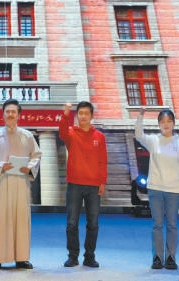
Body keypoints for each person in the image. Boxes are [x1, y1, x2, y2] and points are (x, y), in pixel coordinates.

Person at [0, 98, 42, 270]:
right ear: (3, 114)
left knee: (21, 218)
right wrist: (1, 165)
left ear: (18, 114)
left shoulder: (27, 136)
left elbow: (36, 155)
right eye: (7, 111)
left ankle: (21, 258)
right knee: (0, 218)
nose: (10, 114)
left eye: (13, 111)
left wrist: (28, 167)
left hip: (21, 183)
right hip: (1, 182)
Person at [135, 107, 179, 270]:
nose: (166, 124)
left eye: (169, 121)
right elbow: (139, 135)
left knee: (172, 224)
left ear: (173, 123)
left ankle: (171, 257)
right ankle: (157, 257)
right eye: (162, 122)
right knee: (157, 224)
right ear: (159, 124)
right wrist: (140, 116)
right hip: (156, 189)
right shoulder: (154, 140)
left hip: (174, 189)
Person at [59, 101, 107, 268]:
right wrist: (66, 114)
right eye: (80, 113)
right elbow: (62, 132)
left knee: (93, 223)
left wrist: (102, 181)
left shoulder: (99, 136)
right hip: (75, 184)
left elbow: (103, 161)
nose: (84, 116)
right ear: (77, 115)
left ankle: (89, 256)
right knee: (72, 222)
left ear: (92, 116)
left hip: (94, 185)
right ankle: (73, 256)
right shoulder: (71, 133)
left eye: (87, 113)